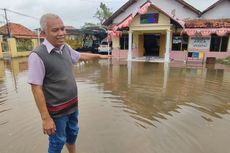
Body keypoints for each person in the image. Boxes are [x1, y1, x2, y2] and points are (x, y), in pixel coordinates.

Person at [28, 13, 111, 153]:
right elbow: (36, 89)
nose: (61, 33)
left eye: (62, 28)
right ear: (44, 33)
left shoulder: (65, 48)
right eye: (55, 30)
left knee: (72, 135)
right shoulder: (37, 55)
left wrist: (100, 56)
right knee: (57, 142)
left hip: (73, 106)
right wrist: (46, 118)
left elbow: (81, 56)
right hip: (56, 112)